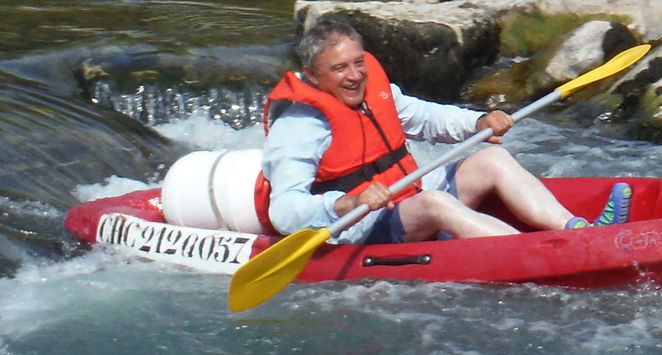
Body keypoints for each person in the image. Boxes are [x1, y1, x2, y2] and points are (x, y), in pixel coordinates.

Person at [259, 17, 631, 245]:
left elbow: (425, 117)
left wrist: (477, 122)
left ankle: (576, 229)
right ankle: (534, 252)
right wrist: (349, 202)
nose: (355, 75)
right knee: (436, 203)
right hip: (359, 225)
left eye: (358, 63)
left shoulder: (371, 92)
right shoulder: (299, 126)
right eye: (340, 69)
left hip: (407, 194)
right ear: (312, 75)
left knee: (493, 158)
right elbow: (285, 212)